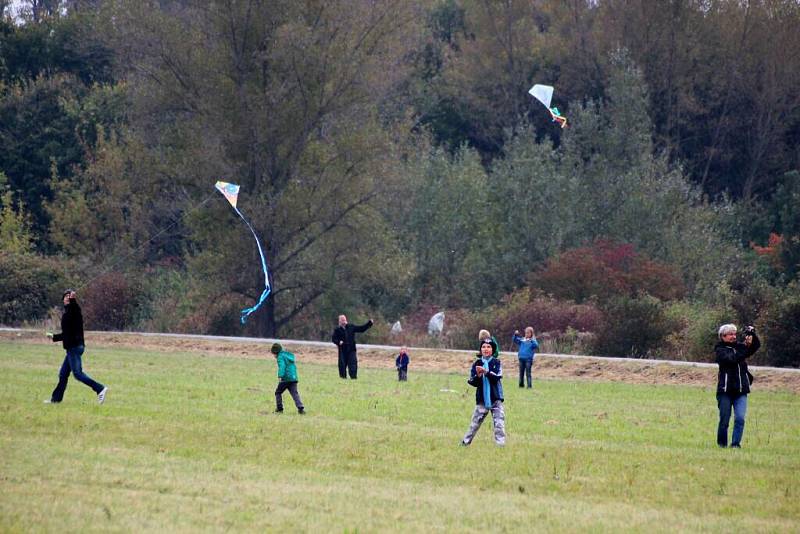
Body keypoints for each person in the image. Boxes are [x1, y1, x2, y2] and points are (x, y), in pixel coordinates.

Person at [45, 289, 108, 404]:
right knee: (63, 374)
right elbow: (67, 334)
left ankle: (100, 388)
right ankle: (56, 399)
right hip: (71, 348)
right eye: (65, 296)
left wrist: (73, 299)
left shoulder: (75, 311)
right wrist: (54, 337)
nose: (67, 298)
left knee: (78, 374)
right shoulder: (66, 314)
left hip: (75, 347)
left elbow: (75, 308)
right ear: (63, 299)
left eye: (69, 296)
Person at [714, 324, 760, 448]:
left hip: (741, 391)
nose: (734, 336)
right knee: (725, 420)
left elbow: (755, 346)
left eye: (734, 334)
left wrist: (752, 334)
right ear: (723, 336)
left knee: (740, 418)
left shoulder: (740, 347)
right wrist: (745, 349)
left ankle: (735, 444)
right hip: (725, 391)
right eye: (730, 334)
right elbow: (732, 359)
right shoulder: (720, 350)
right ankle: (722, 445)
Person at [460, 338, 505, 446]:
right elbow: (472, 381)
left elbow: (497, 377)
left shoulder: (496, 362)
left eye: (488, 347)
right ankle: (465, 443)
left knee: (499, 423)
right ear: (480, 349)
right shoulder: (477, 363)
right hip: (481, 400)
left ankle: (500, 445)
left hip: (495, 399)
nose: (486, 349)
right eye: (483, 347)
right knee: (474, 423)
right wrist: (478, 376)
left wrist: (487, 372)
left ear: (493, 350)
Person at [331, 314, 373, 379]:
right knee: (342, 365)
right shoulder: (337, 330)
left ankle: (353, 378)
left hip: (351, 350)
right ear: (339, 321)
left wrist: (369, 324)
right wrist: (339, 342)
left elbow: (361, 329)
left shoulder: (351, 327)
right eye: (342, 320)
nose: (344, 321)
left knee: (353, 364)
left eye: (344, 320)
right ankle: (343, 378)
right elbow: (334, 339)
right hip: (342, 350)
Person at [271, 343, 305, 414]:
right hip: (293, 378)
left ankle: (279, 409)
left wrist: (280, 375)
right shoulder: (288, 356)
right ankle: (300, 407)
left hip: (286, 378)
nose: (273, 356)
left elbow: (282, 366)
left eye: (273, 354)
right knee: (294, 393)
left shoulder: (280, 357)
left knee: (278, 392)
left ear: (275, 352)